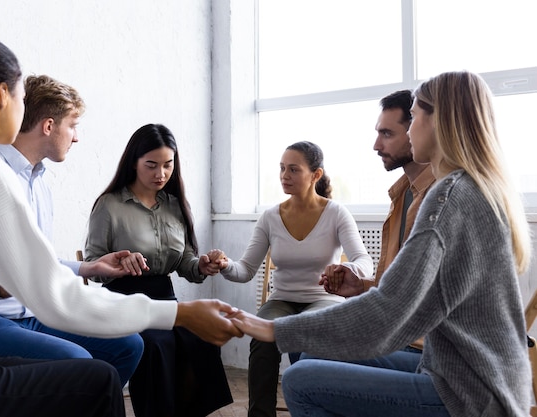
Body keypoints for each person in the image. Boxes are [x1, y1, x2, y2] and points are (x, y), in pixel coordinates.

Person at [0, 32, 240, 417]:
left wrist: (88, 270)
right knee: (94, 380)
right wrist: (180, 314)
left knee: (104, 365)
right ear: (3, 95)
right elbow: (56, 298)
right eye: (20, 95)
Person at [228, 71, 532, 417]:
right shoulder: (474, 188)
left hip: (471, 394)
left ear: (439, 122)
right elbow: (420, 302)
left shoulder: (448, 198)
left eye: (415, 115)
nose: (376, 144)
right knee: (311, 359)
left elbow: (387, 315)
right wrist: (367, 287)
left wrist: (270, 328)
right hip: (475, 379)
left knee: (300, 380)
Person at [0, 74, 144, 386]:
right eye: (72, 125)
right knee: (79, 364)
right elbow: (2, 277)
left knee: (128, 345)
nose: (75, 137)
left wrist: (89, 266)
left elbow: (35, 261)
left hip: (33, 312)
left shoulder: (38, 182)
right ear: (48, 126)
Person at [207, 141, 373, 417]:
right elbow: (245, 270)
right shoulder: (270, 217)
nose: (284, 175)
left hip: (323, 299)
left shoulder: (336, 213)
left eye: (293, 169)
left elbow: (364, 261)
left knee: (308, 337)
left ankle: (309, 407)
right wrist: (224, 264)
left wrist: (350, 271)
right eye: (282, 168)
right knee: (261, 337)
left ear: (315, 175)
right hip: (282, 299)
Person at [85, 123, 234, 417]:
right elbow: (92, 267)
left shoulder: (175, 205)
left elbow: (185, 263)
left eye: (168, 165)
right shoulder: (110, 206)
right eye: (151, 165)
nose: (161, 174)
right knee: (155, 345)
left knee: (203, 336)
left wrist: (202, 264)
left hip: (165, 299)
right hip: (123, 299)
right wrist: (118, 265)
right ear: (134, 162)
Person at [323, 89, 436, 352]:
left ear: (418, 130)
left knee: (304, 362)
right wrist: (361, 286)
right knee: (301, 348)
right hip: (396, 333)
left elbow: (422, 299)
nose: (376, 145)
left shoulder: (439, 198)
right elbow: (403, 290)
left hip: (421, 345)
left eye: (387, 134)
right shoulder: (402, 195)